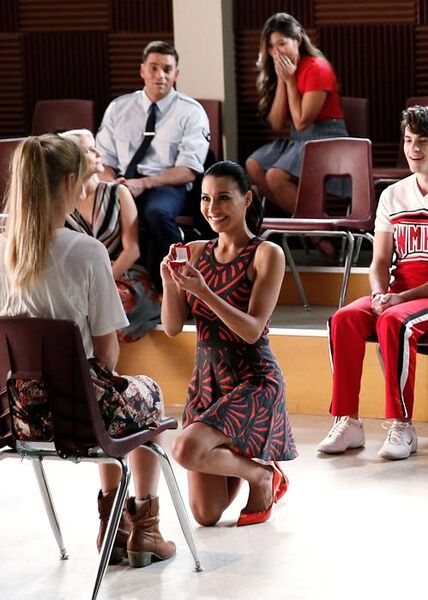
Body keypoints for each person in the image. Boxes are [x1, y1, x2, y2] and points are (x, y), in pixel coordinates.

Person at [0, 134, 175, 567]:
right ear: (70, 182)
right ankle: (144, 529)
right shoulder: (87, 252)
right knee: (145, 394)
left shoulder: (4, 250)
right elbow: (106, 355)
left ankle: (111, 524)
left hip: (18, 418)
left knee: (103, 399)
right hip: (77, 417)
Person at [161, 160, 297, 527]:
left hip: (253, 381)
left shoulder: (267, 254)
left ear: (247, 199)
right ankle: (257, 468)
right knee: (206, 515)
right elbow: (171, 327)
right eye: (205, 199)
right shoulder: (195, 251)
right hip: (207, 383)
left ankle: (261, 475)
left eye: (223, 198)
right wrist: (170, 284)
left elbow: (252, 330)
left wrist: (203, 292)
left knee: (185, 448)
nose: (212, 208)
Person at [317, 105, 428, 460]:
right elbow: (379, 261)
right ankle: (347, 421)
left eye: (423, 141)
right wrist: (380, 293)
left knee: (395, 322)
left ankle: (402, 425)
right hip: (398, 295)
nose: (414, 149)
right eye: (408, 140)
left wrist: (399, 300)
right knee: (343, 319)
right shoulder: (392, 195)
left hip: (417, 299)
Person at [96, 40, 210, 290]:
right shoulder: (119, 108)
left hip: (167, 185)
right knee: (87, 212)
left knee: (156, 213)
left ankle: (183, 281)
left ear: (176, 74)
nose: (160, 75)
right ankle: (105, 284)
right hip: (122, 184)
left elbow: (188, 171)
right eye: (154, 68)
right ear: (142, 70)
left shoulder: (191, 112)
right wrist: (115, 185)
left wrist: (144, 183)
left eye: (167, 69)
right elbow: (103, 161)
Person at [246, 12, 348, 261]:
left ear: (298, 40)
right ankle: (315, 230)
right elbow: (276, 122)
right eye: (271, 47)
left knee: (275, 177)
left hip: (326, 138)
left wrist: (291, 82)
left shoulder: (317, 68)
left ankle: (320, 235)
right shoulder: (285, 72)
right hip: (299, 140)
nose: (276, 52)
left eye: (282, 43)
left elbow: (302, 122)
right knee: (254, 165)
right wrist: (283, 81)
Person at [62, 128, 160, 342]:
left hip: (120, 274)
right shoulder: (61, 201)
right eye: (90, 149)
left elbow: (132, 250)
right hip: (79, 280)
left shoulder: (118, 192)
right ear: (72, 160)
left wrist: (100, 283)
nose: (99, 153)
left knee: (111, 305)